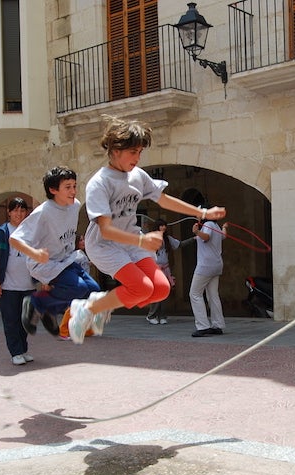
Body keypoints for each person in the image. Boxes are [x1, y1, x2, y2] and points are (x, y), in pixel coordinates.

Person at [69, 115, 226, 344]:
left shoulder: (138, 176)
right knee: (141, 288)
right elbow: (105, 229)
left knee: (160, 289)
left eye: (140, 152)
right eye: (133, 152)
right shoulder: (99, 183)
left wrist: (202, 213)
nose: (138, 157)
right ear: (115, 150)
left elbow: (163, 200)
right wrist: (142, 242)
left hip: (132, 240)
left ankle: (105, 303)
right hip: (104, 245)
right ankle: (90, 308)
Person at [10, 167, 100, 340]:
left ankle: (50, 308)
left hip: (66, 259)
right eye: (68, 187)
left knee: (92, 291)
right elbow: (14, 239)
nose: (73, 191)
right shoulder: (43, 212)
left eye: (74, 186)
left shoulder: (74, 205)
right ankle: (36, 302)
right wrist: (35, 253)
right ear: (53, 190)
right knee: (78, 287)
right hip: (45, 263)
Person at [0, 197, 38, 365]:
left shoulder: (32, 232)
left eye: (22, 210)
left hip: (29, 286)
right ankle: (15, 352)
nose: (19, 213)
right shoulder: (0, 234)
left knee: (26, 319)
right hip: (7, 286)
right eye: (15, 210)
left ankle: (23, 349)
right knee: (11, 320)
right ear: (9, 212)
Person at [189, 217, 228, 337]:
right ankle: (218, 325)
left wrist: (197, 232)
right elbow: (223, 236)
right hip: (216, 265)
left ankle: (202, 326)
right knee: (213, 295)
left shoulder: (208, 225)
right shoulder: (215, 226)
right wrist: (225, 227)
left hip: (206, 266)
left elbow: (206, 237)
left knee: (194, 294)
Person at [146, 218, 184, 325]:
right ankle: (151, 315)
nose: (163, 227)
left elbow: (179, 244)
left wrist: (194, 238)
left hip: (165, 269)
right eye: (161, 225)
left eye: (164, 225)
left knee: (163, 293)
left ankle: (162, 315)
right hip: (155, 269)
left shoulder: (167, 239)